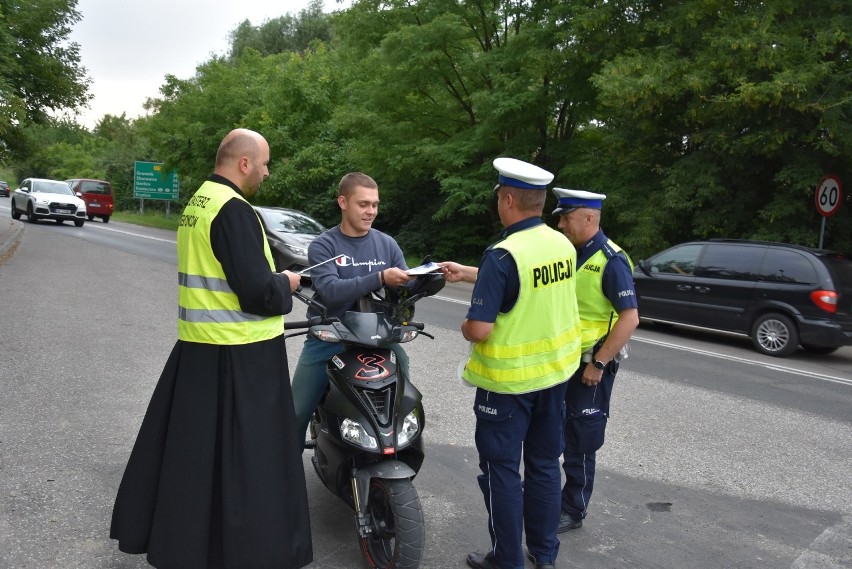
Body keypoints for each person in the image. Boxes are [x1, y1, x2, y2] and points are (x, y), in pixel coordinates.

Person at [110, 128, 313, 569]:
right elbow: (257, 292)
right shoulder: (235, 210)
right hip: (242, 356)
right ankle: (245, 554)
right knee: (246, 467)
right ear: (243, 163)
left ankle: (189, 548)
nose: (266, 170)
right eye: (263, 162)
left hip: (199, 350)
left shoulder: (199, 201)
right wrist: (288, 283)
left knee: (196, 463)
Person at [439, 158, 581, 569]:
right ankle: (545, 554)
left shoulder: (502, 255)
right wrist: (470, 273)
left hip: (507, 386)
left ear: (507, 199)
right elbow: (530, 285)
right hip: (554, 376)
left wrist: (465, 324)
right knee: (543, 466)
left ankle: (507, 560)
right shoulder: (560, 244)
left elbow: (479, 329)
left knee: (501, 472)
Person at [290, 172, 411, 444]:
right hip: (331, 336)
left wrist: (429, 278)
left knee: (401, 395)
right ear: (343, 202)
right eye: (363, 204)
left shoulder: (386, 243)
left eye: (375, 205)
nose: (371, 211)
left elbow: (404, 288)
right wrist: (380, 277)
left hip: (378, 338)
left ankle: (395, 445)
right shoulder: (325, 244)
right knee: (295, 414)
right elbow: (331, 291)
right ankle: (283, 483)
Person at [550, 187, 639, 533]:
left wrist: (599, 363)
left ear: (589, 218)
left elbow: (629, 318)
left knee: (582, 437)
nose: (560, 224)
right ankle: (552, 496)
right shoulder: (569, 255)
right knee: (555, 430)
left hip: (590, 366)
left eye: (565, 218)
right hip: (564, 363)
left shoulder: (611, 261)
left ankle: (573, 508)